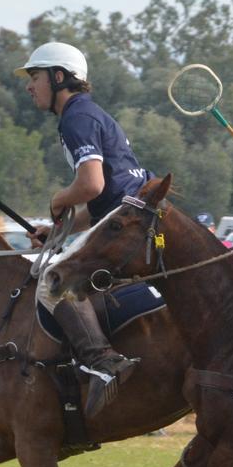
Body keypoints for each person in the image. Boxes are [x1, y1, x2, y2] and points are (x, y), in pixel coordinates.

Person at [16, 41, 152, 418]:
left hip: (125, 225)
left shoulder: (75, 118)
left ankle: (102, 361)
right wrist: (57, 230)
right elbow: (100, 200)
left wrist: (59, 199)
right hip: (124, 217)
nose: (30, 86)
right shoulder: (89, 114)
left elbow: (90, 185)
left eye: (35, 76)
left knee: (52, 279)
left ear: (59, 77)